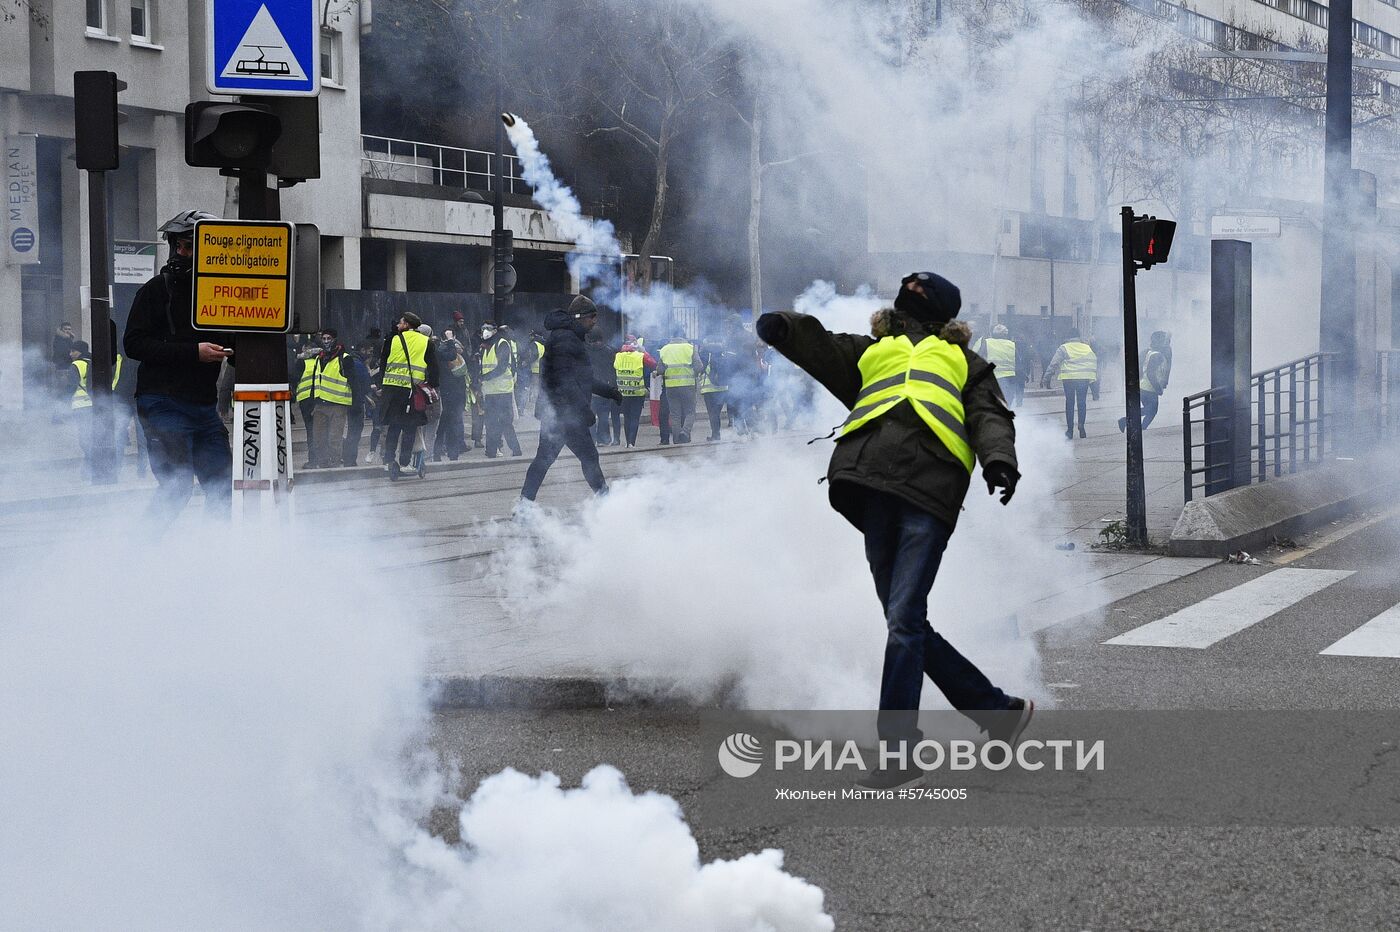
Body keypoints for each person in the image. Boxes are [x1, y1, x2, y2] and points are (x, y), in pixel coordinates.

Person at [755, 270, 1031, 790]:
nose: (910, 303)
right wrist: (784, 327)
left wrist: (999, 461)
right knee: (907, 623)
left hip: (929, 491)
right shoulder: (870, 351)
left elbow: (991, 417)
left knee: (904, 620)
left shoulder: (966, 364)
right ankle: (996, 712)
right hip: (870, 486)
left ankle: (901, 751)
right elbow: (820, 346)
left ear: (944, 317)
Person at [122, 209, 233, 523]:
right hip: (162, 402)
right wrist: (192, 352)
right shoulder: (156, 290)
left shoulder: (224, 293)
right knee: (177, 486)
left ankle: (218, 556)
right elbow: (134, 344)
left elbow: (237, 343)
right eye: (178, 246)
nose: (181, 254)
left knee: (222, 486)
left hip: (202, 407)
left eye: (190, 247)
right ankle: (139, 554)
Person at [520, 296, 623, 503]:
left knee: (547, 460)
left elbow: (582, 378)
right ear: (580, 317)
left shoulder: (568, 337)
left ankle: (524, 506)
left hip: (559, 413)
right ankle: (605, 502)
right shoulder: (565, 339)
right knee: (587, 458)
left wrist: (608, 391)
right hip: (564, 414)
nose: (595, 322)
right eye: (592, 317)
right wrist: (585, 411)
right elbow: (564, 380)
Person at [376, 312, 439, 480]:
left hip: (391, 391)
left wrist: (382, 385)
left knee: (393, 427)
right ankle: (404, 461)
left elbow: (383, 363)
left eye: (401, 322)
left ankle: (389, 459)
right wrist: (430, 385)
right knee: (410, 427)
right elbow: (434, 370)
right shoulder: (426, 342)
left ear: (407, 325)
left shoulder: (392, 339)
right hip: (412, 391)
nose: (398, 325)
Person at [298, 329, 355, 469]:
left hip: (338, 404)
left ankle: (334, 465)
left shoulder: (345, 358)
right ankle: (323, 465)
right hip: (320, 405)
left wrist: (356, 405)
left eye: (328, 338)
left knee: (334, 439)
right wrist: (313, 404)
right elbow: (315, 382)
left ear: (335, 339)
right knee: (318, 438)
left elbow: (353, 381)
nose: (326, 341)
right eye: (323, 338)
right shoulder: (319, 358)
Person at [1043, 328, 1098, 439]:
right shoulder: (1087, 348)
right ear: (1079, 336)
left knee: (1070, 403)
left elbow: (1054, 363)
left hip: (1069, 379)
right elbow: (1093, 360)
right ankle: (1081, 425)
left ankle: (1070, 430)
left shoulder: (1064, 348)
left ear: (1068, 337)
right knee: (1082, 402)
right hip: (1083, 379)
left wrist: (1046, 377)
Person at [479, 322, 522, 458]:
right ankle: (491, 451)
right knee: (491, 422)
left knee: (504, 422)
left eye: (488, 328)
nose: (485, 331)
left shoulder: (501, 343)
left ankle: (516, 450)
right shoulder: (485, 347)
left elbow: (502, 367)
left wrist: (484, 377)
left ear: (495, 331)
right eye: (483, 328)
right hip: (490, 391)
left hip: (503, 391)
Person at [1119, 330, 1172, 433]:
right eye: (1166, 341)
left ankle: (1140, 427)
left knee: (1150, 410)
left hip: (1143, 386)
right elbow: (1151, 374)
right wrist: (1158, 388)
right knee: (1151, 410)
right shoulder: (1157, 356)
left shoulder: (1147, 352)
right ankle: (1127, 421)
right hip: (1149, 387)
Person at [432, 329, 470, 461]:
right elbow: (452, 355)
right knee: (448, 423)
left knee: (448, 422)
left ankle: (445, 452)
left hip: (454, 392)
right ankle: (448, 452)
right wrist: (450, 341)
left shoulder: (444, 350)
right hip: (449, 391)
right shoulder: (442, 351)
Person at [111, 350, 148, 478]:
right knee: (139, 438)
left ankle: (120, 469)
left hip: (129, 400)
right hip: (131, 400)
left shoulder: (120, 359)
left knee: (123, 436)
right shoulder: (122, 359)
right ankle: (139, 470)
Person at [614, 336, 656, 447]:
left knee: (627, 417)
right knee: (635, 417)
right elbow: (653, 363)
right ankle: (632, 442)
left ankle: (628, 442)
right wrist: (643, 350)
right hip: (637, 392)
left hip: (623, 392)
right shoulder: (640, 356)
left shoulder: (618, 356)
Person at [658, 328, 699, 443]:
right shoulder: (690, 348)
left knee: (675, 414)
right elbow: (699, 366)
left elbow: (660, 370)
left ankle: (676, 440)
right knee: (690, 412)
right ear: (684, 337)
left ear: (673, 337)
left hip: (671, 387)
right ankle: (685, 432)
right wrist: (691, 373)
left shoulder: (665, 349)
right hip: (688, 385)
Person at [973, 323, 1024, 408]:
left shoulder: (986, 342)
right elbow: (1019, 363)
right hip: (1010, 379)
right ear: (1005, 334)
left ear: (993, 333)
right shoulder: (1012, 344)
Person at [587, 327, 621, 445]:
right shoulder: (610, 351)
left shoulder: (586, 351)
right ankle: (603, 439)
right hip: (605, 388)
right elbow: (614, 371)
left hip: (591, 388)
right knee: (604, 416)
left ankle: (592, 440)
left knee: (591, 415)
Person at [66, 341, 95, 475]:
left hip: (80, 406)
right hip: (93, 405)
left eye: (73, 351)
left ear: (80, 351)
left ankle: (90, 467)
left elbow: (71, 387)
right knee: (92, 436)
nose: (70, 354)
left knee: (84, 440)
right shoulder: (92, 362)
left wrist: (62, 403)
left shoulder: (76, 365)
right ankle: (89, 467)